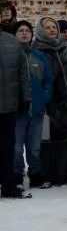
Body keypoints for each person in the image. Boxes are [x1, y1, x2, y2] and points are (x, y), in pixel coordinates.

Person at [32, 16, 67, 188]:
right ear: (40, 30)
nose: (52, 30)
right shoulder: (36, 51)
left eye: (54, 27)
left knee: (66, 136)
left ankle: (65, 171)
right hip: (47, 102)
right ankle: (47, 173)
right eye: (48, 28)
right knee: (46, 138)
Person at [11, 21, 52, 198]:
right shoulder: (10, 57)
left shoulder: (39, 57)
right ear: (14, 35)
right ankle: (16, 176)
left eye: (27, 30)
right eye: (20, 31)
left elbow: (48, 81)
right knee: (16, 147)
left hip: (36, 110)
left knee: (34, 146)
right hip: (17, 111)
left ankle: (35, 175)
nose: (24, 33)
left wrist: (44, 98)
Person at [0, 20, 30, 199]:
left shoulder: (12, 41)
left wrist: (25, 98)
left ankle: (8, 184)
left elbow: (23, 73)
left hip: (8, 105)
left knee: (7, 147)